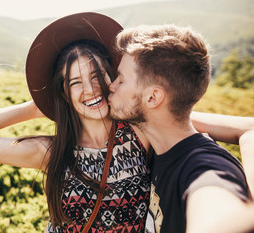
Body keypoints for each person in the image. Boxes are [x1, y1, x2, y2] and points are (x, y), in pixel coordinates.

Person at [0, 13, 253, 232]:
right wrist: (35, 107)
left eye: (97, 75)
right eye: (75, 83)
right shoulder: (52, 150)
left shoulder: (141, 128)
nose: (90, 89)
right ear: (64, 93)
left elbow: (210, 129)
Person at [108, 24, 254, 233]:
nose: (111, 86)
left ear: (153, 97)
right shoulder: (160, 143)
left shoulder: (203, 167)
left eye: (120, 80)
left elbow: (216, 209)